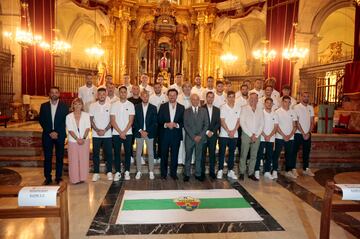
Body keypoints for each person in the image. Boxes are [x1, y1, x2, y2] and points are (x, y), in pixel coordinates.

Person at [39, 86, 69, 185]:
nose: (54, 94)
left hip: (60, 135)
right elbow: (42, 120)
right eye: (52, 92)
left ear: (59, 94)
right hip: (47, 135)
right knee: (47, 157)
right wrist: (50, 132)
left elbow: (65, 121)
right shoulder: (44, 106)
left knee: (59, 157)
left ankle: (58, 177)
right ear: (49, 94)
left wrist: (57, 132)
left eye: (56, 92)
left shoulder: (64, 106)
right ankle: (47, 177)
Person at [158, 89, 185, 180]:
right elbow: (159, 120)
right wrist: (166, 124)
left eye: (174, 95)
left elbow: (183, 122)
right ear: (168, 96)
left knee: (175, 155)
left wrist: (176, 124)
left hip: (176, 134)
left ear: (177, 96)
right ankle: (163, 173)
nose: (172, 96)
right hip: (165, 134)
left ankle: (173, 173)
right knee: (164, 154)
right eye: (170, 95)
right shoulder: (163, 106)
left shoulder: (182, 107)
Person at [111, 86, 135, 181]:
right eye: (121, 92)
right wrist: (120, 132)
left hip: (128, 133)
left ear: (127, 93)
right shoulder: (114, 105)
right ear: (119, 93)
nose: (123, 94)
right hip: (116, 133)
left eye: (125, 92)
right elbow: (112, 120)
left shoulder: (131, 105)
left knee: (128, 153)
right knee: (117, 153)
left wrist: (124, 132)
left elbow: (131, 121)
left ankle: (127, 171)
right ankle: (117, 172)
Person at [183, 94, 209, 182]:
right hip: (190, 138)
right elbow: (185, 125)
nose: (195, 101)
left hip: (200, 138)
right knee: (188, 157)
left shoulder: (204, 111)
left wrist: (200, 136)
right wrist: (193, 136)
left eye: (197, 99)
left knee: (199, 157)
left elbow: (206, 124)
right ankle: (187, 174)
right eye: (193, 99)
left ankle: (198, 174)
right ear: (191, 100)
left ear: (199, 101)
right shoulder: (186, 111)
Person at [89, 88, 113, 182]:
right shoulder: (92, 106)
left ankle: (109, 172)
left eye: (103, 94)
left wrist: (105, 130)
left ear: (106, 95)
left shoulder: (110, 105)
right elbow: (90, 120)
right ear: (97, 95)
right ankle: (96, 173)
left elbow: (112, 120)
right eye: (100, 94)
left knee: (109, 154)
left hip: (107, 134)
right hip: (96, 134)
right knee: (95, 154)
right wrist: (97, 130)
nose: (102, 96)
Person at [133, 90, 158, 180]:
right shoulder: (136, 107)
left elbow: (155, 122)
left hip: (149, 133)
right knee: (138, 153)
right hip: (139, 133)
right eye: (143, 96)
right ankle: (139, 171)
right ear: (141, 96)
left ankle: (151, 171)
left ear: (148, 96)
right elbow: (134, 121)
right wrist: (140, 130)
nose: (145, 97)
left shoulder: (153, 108)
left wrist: (147, 131)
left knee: (151, 153)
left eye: (146, 96)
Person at [239, 92, 264, 181]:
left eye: (255, 98)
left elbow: (262, 123)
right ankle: (242, 172)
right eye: (251, 98)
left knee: (254, 155)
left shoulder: (260, 109)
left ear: (257, 100)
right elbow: (242, 122)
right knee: (244, 154)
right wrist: (251, 134)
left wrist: (256, 135)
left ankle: (251, 173)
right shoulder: (244, 108)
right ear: (249, 99)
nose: (253, 100)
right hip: (246, 134)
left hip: (257, 136)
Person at [66, 98, 91, 184]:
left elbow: (88, 128)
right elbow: (70, 129)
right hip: (73, 141)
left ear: (82, 106)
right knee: (73, 160)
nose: (77, 106)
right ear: (73, 105)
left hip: (85, 140)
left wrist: (83, 138)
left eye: (79, 104)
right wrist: (77, 139)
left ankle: (83, 178)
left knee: (84, 159)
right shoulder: (68, 116)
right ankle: (74, 179)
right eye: (75, 104)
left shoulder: (86, 115)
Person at [273, 96, 297, 179]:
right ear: (282, 102)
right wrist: (284, 135)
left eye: (288, 102)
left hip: (290, 137)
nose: (287, 103)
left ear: (290, 103)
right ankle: (274, 171)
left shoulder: (293, 112)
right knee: (276, 154)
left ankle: (288, 171)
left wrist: (289, 135)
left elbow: (295, 125)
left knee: (289, 155)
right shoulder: (277, 112)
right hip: (279, 137)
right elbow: (276, 126)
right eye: (285, 101)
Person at [218, 91, 240, 180]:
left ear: (235, 97)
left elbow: (239, 121)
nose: (231, 98)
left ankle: (230, 171)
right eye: (229, 97)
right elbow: (222, 120)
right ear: (227, 98)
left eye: (233, 96)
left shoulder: (238, 107)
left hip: (234, 134)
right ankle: (220, 170)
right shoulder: (223, 107)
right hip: (224, 134)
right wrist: (228, 131)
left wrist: (234, 131)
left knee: (232, 153)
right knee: (222, 153)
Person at [254, 97, 278, 180]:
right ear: (264, 104)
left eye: (270, 103)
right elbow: (259, 125)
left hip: (271, 138)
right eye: (267, 103)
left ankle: (267, 172)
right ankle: (256, 170)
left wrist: (269, 136)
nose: (269, 104)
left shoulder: (275, 114)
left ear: (272, 104)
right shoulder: (261, 113)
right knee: (259, 155)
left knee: (269, 155)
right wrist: (265, 135)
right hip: (261, 137)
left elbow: (275, 127)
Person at [293, 92, 315, 177]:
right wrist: (303, 133)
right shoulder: (296, 107)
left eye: (307, 97)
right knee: (294, 152)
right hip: (298, 134)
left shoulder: (310, 107)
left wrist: (308, 133)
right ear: (301, 97)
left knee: (307, 152)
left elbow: (312, 122)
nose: (306, 98)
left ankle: (306, 169)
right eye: (304, 96)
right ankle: (293, 169)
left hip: (308, 134)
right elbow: (297, 122)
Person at [202, 91, 221, 179]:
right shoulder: (201, 108)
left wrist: (212, 132)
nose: (210, 98)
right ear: (206, 98)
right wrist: (206, 132)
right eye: (209, 97)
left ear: (214, 98)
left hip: (213, 136)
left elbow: (218, 123)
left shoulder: (217, 110)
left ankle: (212, 172)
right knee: (202, 154)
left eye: (212, 97)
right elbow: (200, 123)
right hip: (203, 135)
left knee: (212, 154)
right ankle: (201, 172)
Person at [149, 82, 168, 163]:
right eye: (155, 87)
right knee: (153, 140)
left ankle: (160, 156)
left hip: (163, 122)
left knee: (161, 140)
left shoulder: (166, 97)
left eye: (158, 87)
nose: (157, 89)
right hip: (153, 121)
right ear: (154, 88)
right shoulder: (151, 97)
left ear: (161, 87)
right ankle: (153, 156)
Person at [177, 82, 192, 165]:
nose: (187, 88)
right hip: (181, 123)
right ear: (182, 88)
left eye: (189, 87)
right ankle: (180, 159)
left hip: (192, 125)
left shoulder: (194, 97)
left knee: (190, 142)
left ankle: (191, 160)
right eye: (185, 87)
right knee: (181, 141)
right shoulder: (178, 97)